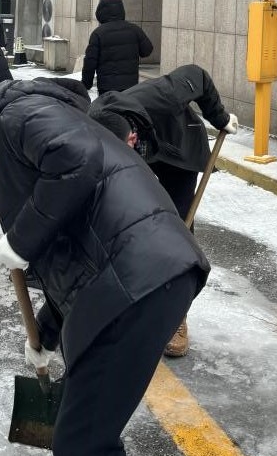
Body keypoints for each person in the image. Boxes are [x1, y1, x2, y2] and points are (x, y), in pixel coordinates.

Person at [0, 77, 210, 456]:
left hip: (141, 280)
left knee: (85, 448)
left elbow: (76, 159)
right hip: (129, 280)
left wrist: (21, 241)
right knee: (73, 438)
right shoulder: (33, 120)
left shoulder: (18, 115)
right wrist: (45, 333)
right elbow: (77, 252)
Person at [88, 64, 238, 357]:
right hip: (143, 153)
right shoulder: (93, 126)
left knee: (177, 228)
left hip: (177, 147)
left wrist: (219, 118)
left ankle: (176, 315)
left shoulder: (164, 95)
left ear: (132, 136)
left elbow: (199, 75)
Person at [81, 0, 153, 94]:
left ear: (101, 12)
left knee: (108, 109)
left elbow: (90, 62)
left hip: (107, 88)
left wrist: (86, 84)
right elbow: (147, 51)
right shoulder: (134, 30)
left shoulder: (98, 33)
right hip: (130, 87)